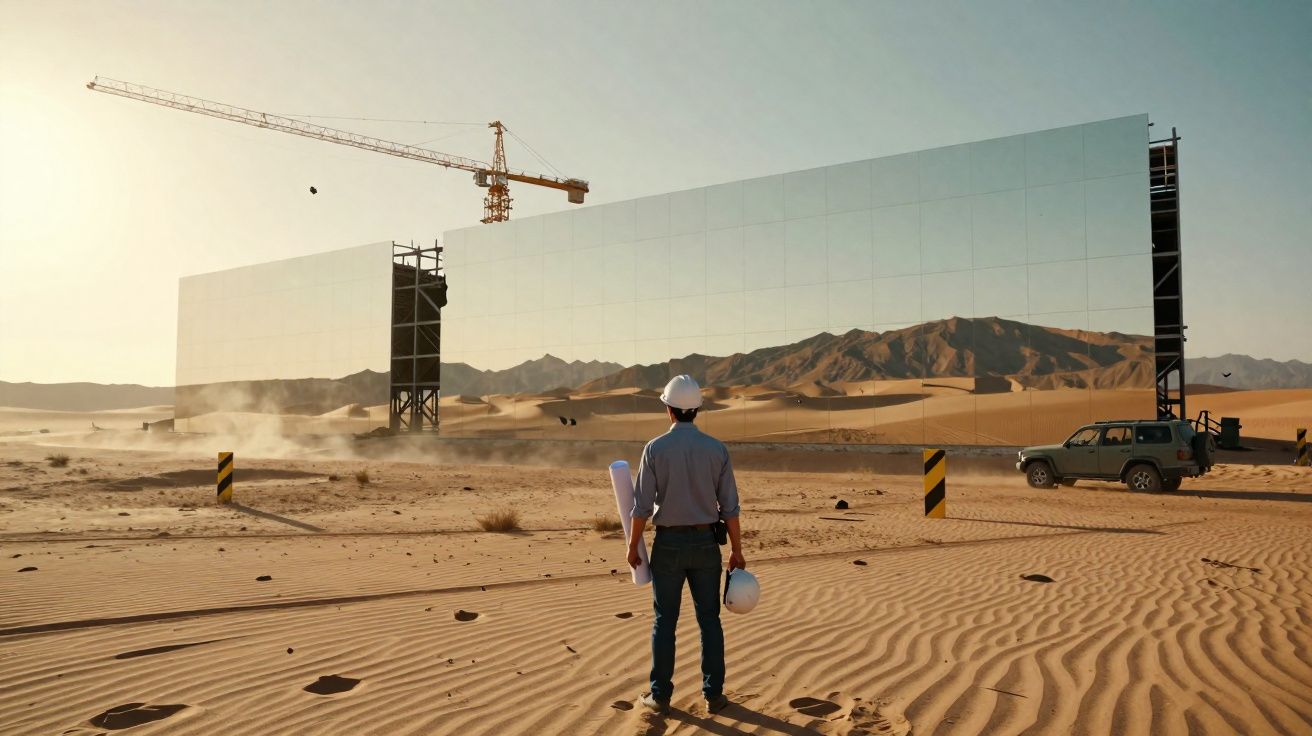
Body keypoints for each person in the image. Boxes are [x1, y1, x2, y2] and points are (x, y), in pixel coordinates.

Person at [627, 374, 745, 716]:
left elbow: (641, 507)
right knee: (710, 620)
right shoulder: (717, 449)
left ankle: (660, 695)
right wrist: (737, 550)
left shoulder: (654, 448)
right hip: (707, 544)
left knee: (665, 621)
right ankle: (714, 696)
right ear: (697, 410)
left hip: (669, 545)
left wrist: (633, 545)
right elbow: (731, 508)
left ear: (669, 409)